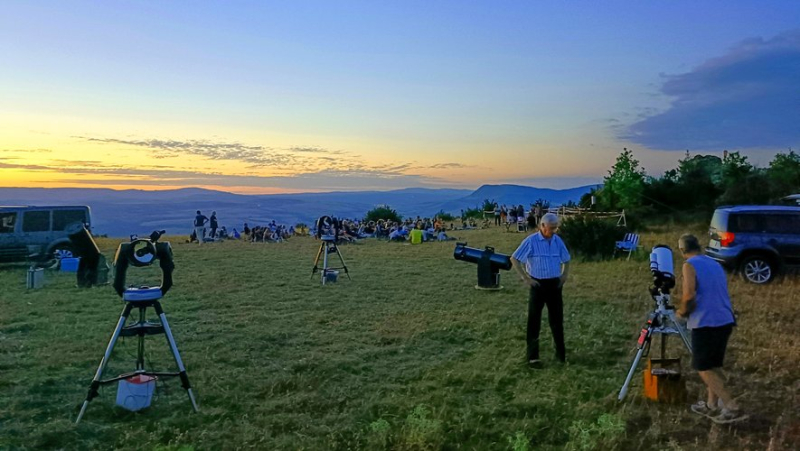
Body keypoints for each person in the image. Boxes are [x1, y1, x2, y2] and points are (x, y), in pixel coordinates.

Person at [676, 234, 747, 424]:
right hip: (724, 319)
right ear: (698, 246)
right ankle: (711, 405)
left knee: (703, 367)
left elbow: (689, 295)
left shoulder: (689, 265)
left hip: (706, 322)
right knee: (713, 364)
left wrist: (681, 313)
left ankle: (732, 406)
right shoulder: (714, 263)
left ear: (682, 250)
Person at [511, 213, 571, 368]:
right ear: (542, 226)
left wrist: (564, 275)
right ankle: (533, 357)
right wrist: (526, 278)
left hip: (555, 285)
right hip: (537, 285)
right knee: (534, 321)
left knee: (557, 320)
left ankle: (561, 354)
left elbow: (566, 258)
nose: (554, 231)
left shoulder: (557, 241)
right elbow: (515, 258)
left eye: (556, 228)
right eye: (551, 228)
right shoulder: (531, 241)